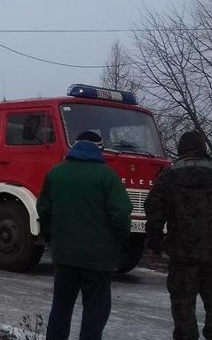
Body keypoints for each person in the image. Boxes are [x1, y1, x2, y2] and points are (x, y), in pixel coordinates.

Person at [37, 130, 132, 340]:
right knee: (95, 311)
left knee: (61, 307)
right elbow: (121, 213)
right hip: (99, 258)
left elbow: (43, 209)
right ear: (100, 149)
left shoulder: (56, 172)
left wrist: (52, 235)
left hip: (65, 255)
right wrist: (120, 239)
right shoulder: (108, 176)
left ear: (75, 146)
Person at [146, 130, 212, 340]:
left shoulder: (169, 176)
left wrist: (155, 245)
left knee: (183, 307)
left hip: (182, 254)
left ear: (181, 149)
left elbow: (154, 212)